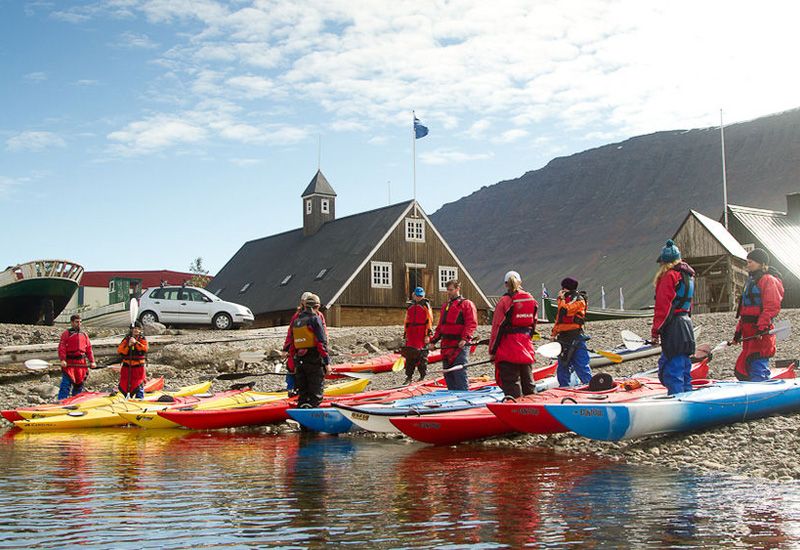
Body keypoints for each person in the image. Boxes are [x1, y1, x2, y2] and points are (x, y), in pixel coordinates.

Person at [651, 239, 696, 395]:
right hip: (686, 324)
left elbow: (663, 306)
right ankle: (689, 396)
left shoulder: (669, 276)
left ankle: (678, 400)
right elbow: (688, 304)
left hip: (673, 326)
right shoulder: (688, 276)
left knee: (673, 370)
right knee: (684, 367)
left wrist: (655, 332)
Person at [732, 248, 784, 381]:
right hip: (749, 332)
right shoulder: (750, 281)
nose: (747, 265)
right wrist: (738, 333)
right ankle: (752, 392)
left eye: (751, 262)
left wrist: (762, 327)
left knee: (757, 361)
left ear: (761, 263)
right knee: (745, 365)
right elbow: (744, 312)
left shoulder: (768, 280)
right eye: (747, 262)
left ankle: (762, 390)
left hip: (761, 332)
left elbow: (772, 307)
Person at [489, 271, 538, 398]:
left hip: (508, 349)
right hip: (526, 347)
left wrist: (492, 351)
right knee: (528, 383)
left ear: (506, 284)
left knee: (511, 385)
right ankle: (534, 408)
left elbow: (497, 327)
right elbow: (533, 325)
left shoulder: (504, 301)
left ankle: (515, 409)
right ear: (520, 282)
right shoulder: (531, 299)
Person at [430, 279, 478, 390]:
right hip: (446, 345)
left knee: (459, 373)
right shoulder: (446, 306)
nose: (449, 292)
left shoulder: (467, 304)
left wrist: (465, 339)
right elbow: (441, 326)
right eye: (447, 290)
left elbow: (471, 324)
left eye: (451, 290)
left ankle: (463, 396)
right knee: (448, 374)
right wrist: (433, 341)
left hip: (459, 345)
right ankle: (452, 395)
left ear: (457, 289)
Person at [288, 293, 330, 408]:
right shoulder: (315, 319)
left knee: (303, 394)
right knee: (315, 395)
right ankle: (313, 421)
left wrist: (292, 365)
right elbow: (321, 343)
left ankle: (303, 422)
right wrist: (327, 363)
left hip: (300, 362)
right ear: (316, 306)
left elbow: (292, 344)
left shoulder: (296, 320)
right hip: (314, 360)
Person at [551, 277, 592, 387]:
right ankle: (565, 388)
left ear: (565, 288)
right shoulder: (566, 299)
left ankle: (590, 386)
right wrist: (554, 334)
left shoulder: (579, 300)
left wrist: (560, 298)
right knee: (563, 366)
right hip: (563, 338)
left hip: (576, 336)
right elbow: (559, 319)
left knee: (581, 364)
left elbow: (565, 310)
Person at [57, 314, 96, 400]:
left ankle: (76, 401)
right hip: (69, 363)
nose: (79, 324)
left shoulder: (84, 335)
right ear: (72, 322)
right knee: (66, 384)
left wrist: (92, 361)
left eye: (80, 322)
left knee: (79, 384)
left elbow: (89, 349)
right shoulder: (66, 334)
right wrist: (63, 359)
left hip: (81, 363)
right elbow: (62, 347)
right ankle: (61, 402)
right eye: (76, 322)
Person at [402, 287, 434, 385]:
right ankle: (409, 376)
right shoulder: (410, 306)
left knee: (422, 356)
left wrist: (427, 335)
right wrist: (405, 334)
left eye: (421, 296)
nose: (419, 297)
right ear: (413, 295)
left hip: (421, 333)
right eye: (417, 295)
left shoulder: (425, 305)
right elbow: (406, 320)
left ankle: (422, 376)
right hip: (411, 333)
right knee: (409, 355)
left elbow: (429, 320)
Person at [117, 321, 149, 398]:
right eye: (134, 328)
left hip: (138, 367)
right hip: (127, 366)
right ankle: (125, 398)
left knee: (138, 384)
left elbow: (145, 349)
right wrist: (128, 345)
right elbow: (120, 350)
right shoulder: (126, 339)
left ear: (140, 330)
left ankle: (140, 398)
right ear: (131, 330)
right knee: (125, 383)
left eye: (138, 329)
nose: (136, 330)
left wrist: (136, 343)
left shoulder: (142, 339)